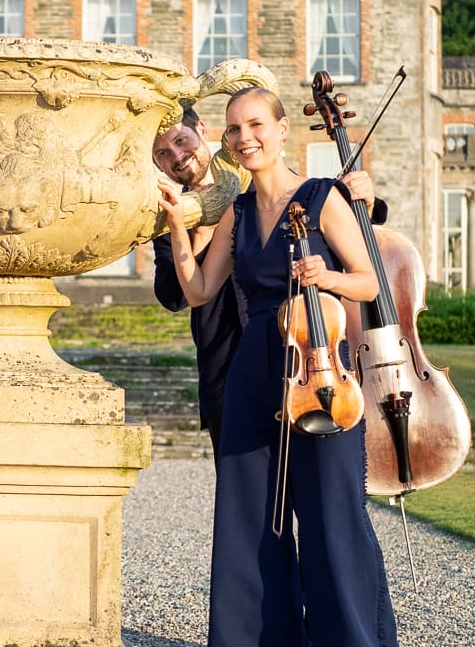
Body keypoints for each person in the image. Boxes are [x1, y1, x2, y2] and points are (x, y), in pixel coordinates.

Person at [157, 87, 412, 647]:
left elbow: (369, 279)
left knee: (332, 523)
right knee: (250, 521)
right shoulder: (238, 214)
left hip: (319, 368)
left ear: (278, 129)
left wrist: (325, 276)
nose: (246, 138)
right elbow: (196, 289)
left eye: (255, 125)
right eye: (234, 130)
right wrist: (173, 223)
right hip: (253, 374)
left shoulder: (323, 197)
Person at [152, 106, 387, 458]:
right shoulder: (169, 217)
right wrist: (194, 231)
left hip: (309, 357)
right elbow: (175, 295)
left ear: (202, 130)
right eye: (163, 154)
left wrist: (366, 203)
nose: (178, 157)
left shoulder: (258, 179)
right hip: (227, 363)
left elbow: (332, 230)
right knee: (248, 492)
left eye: (182, 141)